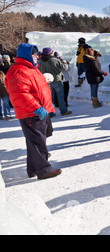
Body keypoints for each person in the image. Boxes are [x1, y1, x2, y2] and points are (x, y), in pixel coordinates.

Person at [5, 43, 62, 180]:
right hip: (31, 113)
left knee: (34, 141)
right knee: (38, 142)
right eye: (34, 54)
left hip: (38, 111)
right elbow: (20, 94)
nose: (37, 56)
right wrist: (36, 107)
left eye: (37, 54)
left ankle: (33, 170)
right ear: (26, 55)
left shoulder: (30, 68)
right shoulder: (19, 71)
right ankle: (44, 170)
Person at [38, 47, 72, 117]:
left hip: (46, 82)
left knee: (49, 98)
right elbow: (64, 68)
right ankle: (63, 111)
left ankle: (50, 112)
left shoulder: (40, 61)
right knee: (60, 97)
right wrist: (65, 63)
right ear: (50, 53)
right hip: (56, 80)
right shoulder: (54, 60)